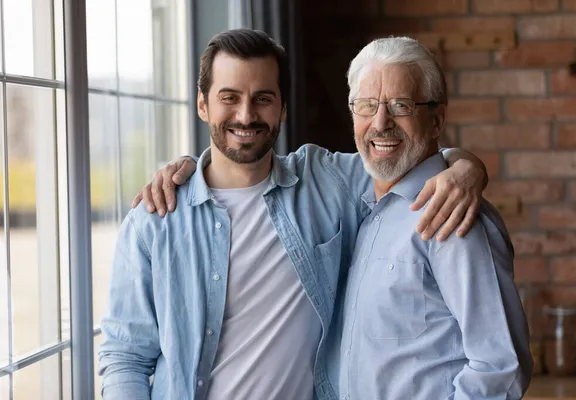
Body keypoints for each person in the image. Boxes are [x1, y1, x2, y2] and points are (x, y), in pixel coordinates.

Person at [101, 29, 487, 400]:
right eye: (229, 97)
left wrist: (465, 168)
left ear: (282, 107)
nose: (246, 115)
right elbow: (125, 357)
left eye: (263, 98)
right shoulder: (155, 218)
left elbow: (406, 155)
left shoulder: (326, 180)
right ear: (203, 105)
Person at [326, 37, 532, 399]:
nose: (380, 122)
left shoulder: (452, 215)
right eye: (366, 105)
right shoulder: (367, 211)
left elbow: (501, 367)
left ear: (436, 120)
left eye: (400, 105)